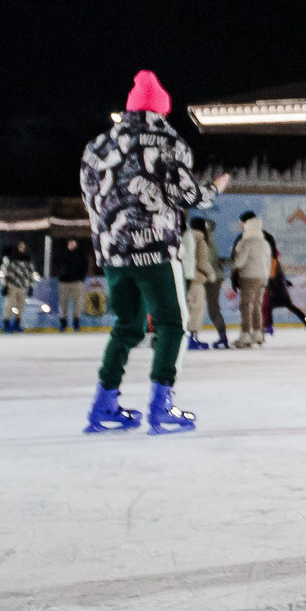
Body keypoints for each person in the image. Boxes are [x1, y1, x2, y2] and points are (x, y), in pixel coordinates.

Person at [78, 71, 230, 433]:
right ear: (161, 109)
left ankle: (104, 403)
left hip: (114, 252)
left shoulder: (97, 145)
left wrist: (108, 237)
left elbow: (90, 196)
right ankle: (161, 405)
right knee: (172, 325)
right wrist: (216, 187)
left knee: (126, 326)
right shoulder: (167, 141)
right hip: (154, 250)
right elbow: (187, 195)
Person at [181, 217, 229, 350]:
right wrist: (211, 274)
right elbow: (203, 262)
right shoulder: (201, 239)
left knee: (188, 309)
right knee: (198, 309)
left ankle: (185, 338)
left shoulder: (185, 238)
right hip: (198, 279)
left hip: (185, 278)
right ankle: (193, 339)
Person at [226, 213, 272, 345]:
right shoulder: (264, 242)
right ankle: (258, 333)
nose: (241, 226)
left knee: (246, 306)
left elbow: (239, 262)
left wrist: (228, 263)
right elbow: (268, 262)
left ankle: (245, 334)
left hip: (249, 277)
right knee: (257, 305)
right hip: (262, 277)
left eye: (243, 224)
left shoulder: (246, 242)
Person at [261, 234, 306, 333]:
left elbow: (275, 275)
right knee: (274, 307)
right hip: (278, 288)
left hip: (277, 289)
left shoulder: (273, 262)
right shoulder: (273, 261)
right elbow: (277, 274)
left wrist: (275, 284)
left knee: (273, 306)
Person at [53, 234, 94, 330]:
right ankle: (63, 322)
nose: (71, 244)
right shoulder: (63, 253)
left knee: (78, 303)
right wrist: (60, 274)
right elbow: (57, 264)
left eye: (73, 242)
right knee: (63, 303)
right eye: (70, 242)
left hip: (77, 282)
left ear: (76, 243)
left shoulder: (80, 254)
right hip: (64, 282)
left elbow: (84, 266)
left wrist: (81, 278)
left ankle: (76, 322)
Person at [0, 243, 36, 333]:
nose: (22, 248)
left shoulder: (27, 259)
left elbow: (30, 273)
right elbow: (3, 272)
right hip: (11, 285)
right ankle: (6, 324)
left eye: (23, 247)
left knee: (20, 306)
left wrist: (31, 286)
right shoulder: (9, 258)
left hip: (23, 285)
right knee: (9, 305)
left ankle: (17, 324)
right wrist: (4, 284)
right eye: (20, 246)